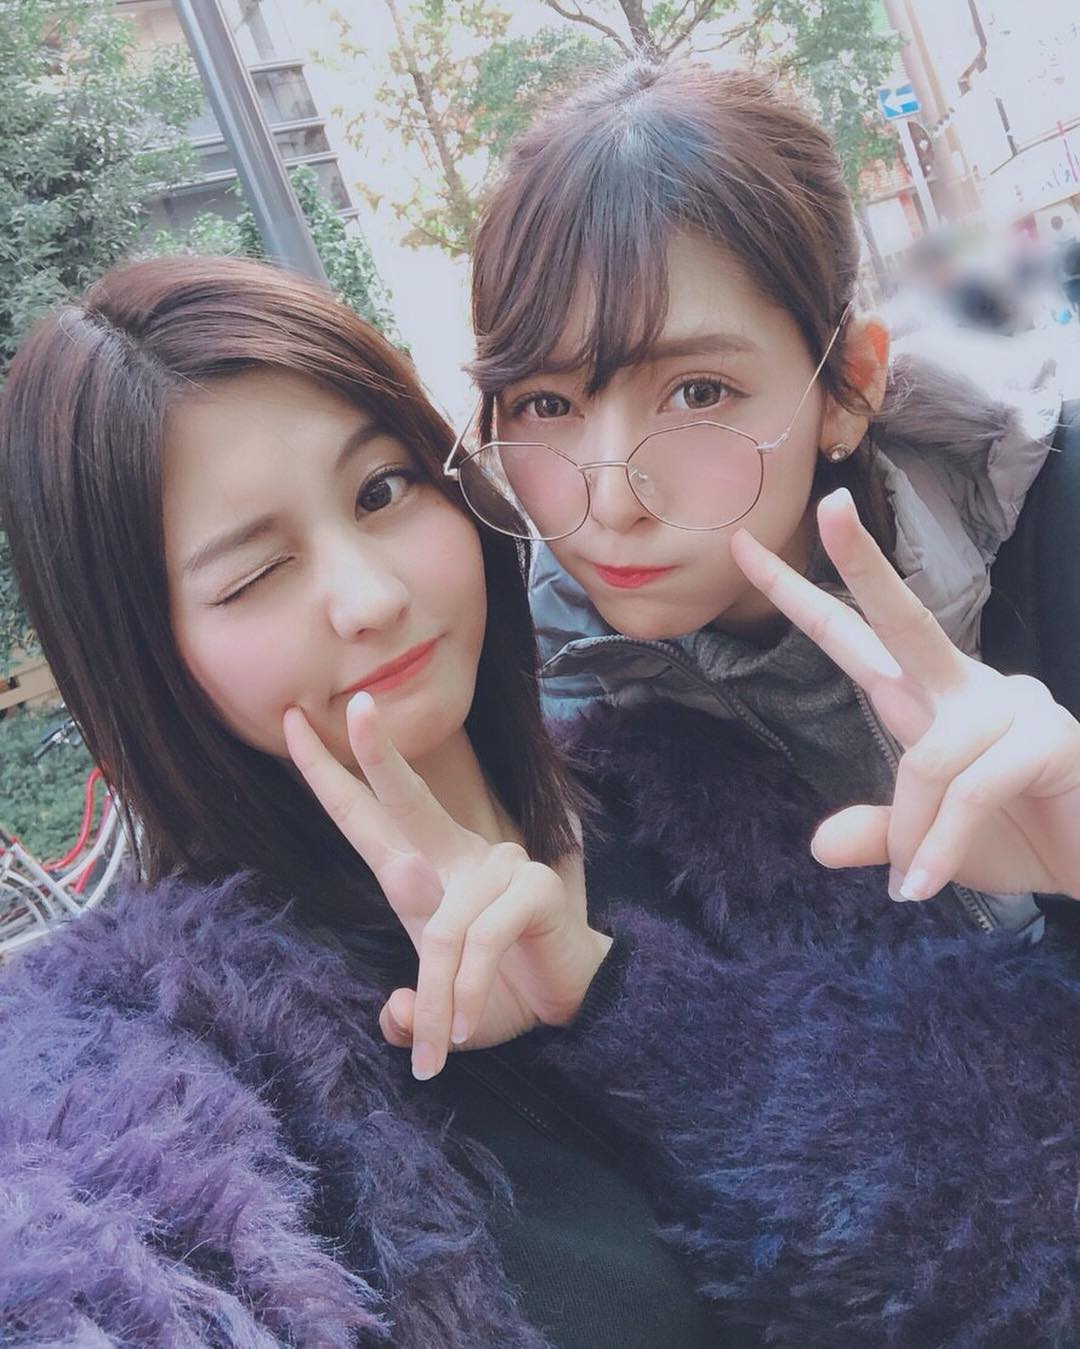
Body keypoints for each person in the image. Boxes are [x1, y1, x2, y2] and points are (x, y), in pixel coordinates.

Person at [6, 255, 1080, 1347]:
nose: (371, 595)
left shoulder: (703, 791)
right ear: (142, 660)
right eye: (251, 575)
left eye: (381, 491)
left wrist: (625, 1005)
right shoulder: (143, 1073)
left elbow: (1027, 1229)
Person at [459, 60, 1066, 940]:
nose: (611, 500)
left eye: (698, 392)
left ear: (849, 385)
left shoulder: (1053, 524)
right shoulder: (547, 697)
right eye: (546, 404)